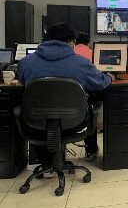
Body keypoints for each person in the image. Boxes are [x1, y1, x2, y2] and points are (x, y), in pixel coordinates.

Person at [18, 23, 113, 163]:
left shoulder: (25, 63)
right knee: (91, 103)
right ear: (71, 42)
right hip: (75, 122)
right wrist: (109, 77)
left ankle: (45, 161)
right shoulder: (81, 63)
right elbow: (99, 83)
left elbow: (22, 81)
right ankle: (90, 151)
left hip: (36, 123)